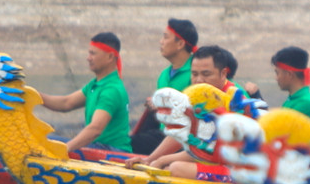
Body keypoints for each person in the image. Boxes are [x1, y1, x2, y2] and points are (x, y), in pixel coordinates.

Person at [38, 33, 133, 153]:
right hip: (98, 146)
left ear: (110, 57)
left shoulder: (111, 90)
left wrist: (64, 149)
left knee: (45, 145)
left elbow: (95, 129)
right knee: (43, 141)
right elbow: (66, 103)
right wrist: (34, 95)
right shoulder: (96, 84)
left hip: (112, 151)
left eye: (93, 53)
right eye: (89, 53)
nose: (88, 58)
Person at [131, 18, 199, 154]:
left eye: (165, 37)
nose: (161, 42)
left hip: (184, 138)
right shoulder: (164, 74)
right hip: (164, 133)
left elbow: (195, 110)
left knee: (134, 143)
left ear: (180, 44)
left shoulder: (196, 73)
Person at [270, 46, 310, 118]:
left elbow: (281, 127)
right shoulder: (293, 99)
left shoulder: (305, 103)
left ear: (289, 74)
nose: (276, 78)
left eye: (277, 73)